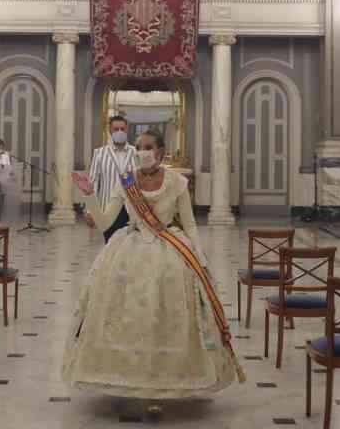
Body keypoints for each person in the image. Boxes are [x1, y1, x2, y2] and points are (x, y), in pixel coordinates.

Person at [63, 131, 241, 401]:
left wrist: (200, 256)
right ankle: (128, 374)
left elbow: (190, 224)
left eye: (148, 147)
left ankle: (169, 376)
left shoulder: (177, 182)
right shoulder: (126, 181)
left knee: (168, 311)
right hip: (129, 248)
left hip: (170, 249)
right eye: (139, 147)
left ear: (160, 152)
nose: (142, 152)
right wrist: (89, 195)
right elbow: (104, 223)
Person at [87, 115, 138, 242]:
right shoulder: (99, 153)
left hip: (132, 209)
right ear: (109, 130)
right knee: (110, 245)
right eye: (116, 129)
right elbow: (93, 183)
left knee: (131, 246)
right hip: (108, 210)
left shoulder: (136, 153)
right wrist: (90, 211)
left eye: (122, 129)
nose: (119, 132)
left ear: (127, 130)